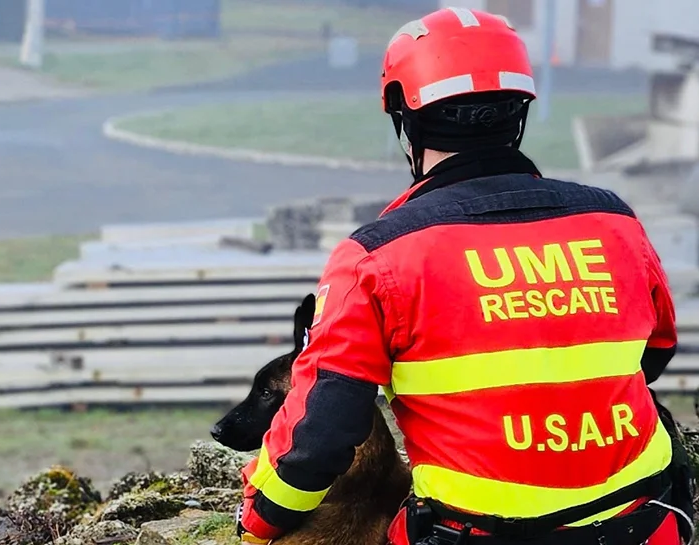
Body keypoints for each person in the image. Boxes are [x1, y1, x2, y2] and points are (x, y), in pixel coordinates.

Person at [235, 7, 696, 545]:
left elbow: (323, 432)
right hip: (645, 524)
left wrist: (257, 522)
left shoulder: (376, 257)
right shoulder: (614, 220)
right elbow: (654, 354)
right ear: (517, 113)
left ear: (407, 123)